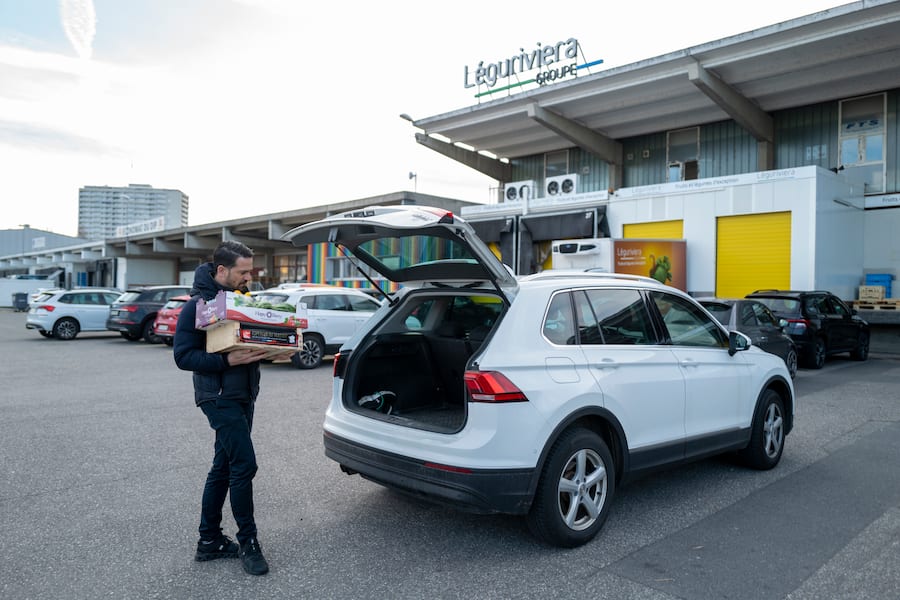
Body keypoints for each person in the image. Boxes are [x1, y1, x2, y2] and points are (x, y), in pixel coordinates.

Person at [173, 240, 271, 576]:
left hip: (244, 395)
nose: (248, 277)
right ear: (221, 270)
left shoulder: (241, 300)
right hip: (217, 397)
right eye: (243, 272)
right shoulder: (197, 305)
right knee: (244, 465)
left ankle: (209, 541)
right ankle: (249, 542)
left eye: (249, 271)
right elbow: (183, 356)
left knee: (223, 466)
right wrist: (227, 361)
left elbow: (247, 341)